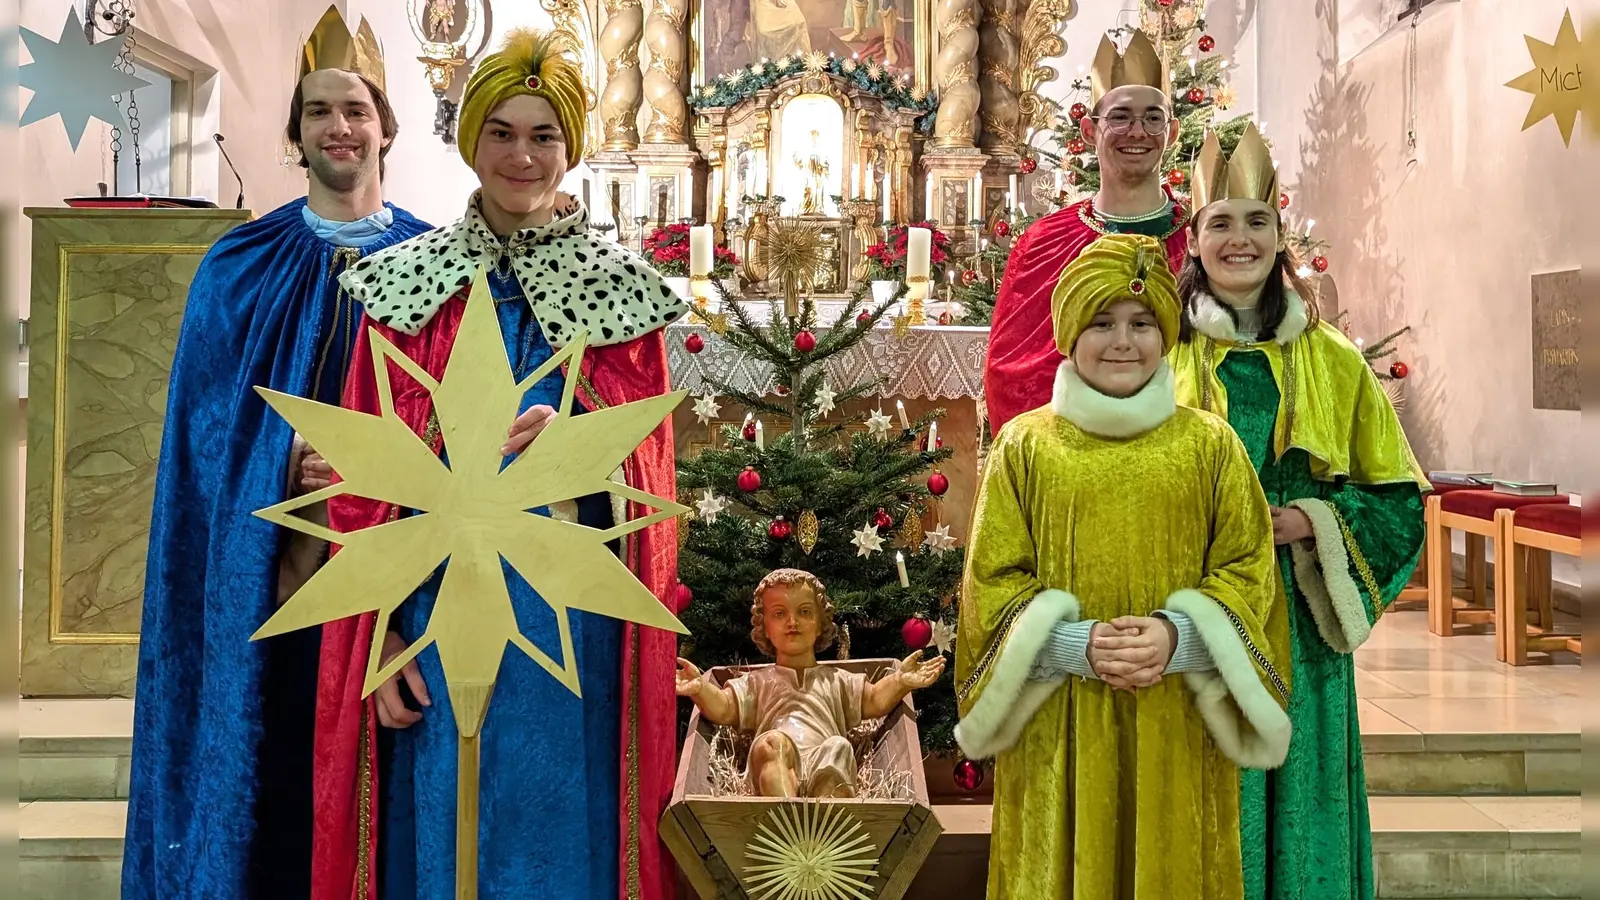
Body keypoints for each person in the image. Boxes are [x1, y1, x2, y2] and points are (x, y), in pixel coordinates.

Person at [311, 30, 689, 900]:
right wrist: (377, 635)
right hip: (435, 607)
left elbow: (650, 483)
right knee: (443, 823)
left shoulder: (619, 294)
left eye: (544, 135)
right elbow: (363, 486)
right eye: (503, 133)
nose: (523, 156)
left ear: (572, 148)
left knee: (561, 828)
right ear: (470, 141)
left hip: (572, 620)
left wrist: (580, 445)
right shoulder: (406, 285)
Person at [121, 12, 432, 897]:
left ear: (386, 128)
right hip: (279, 576)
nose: (341, 126)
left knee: (390, 779)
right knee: (282, 766)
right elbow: (202, 438)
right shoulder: (240, 266)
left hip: (399, 573)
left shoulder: (433, 261)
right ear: (295, 134)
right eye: (320, 111)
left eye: (358, 110)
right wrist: (277, 457)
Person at [954, 233, 1293, 899]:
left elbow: (1248, 568)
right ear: (1069, 330)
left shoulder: (1209, 443)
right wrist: (1076, 645)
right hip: (1058, 716)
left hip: (1176, 714)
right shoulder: (1028, 445)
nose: (1122, 341)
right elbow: (991, 583)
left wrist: (1179, 636)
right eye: (1101, 322)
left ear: (1166, 333)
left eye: (1142, 324)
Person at [1169, 124, 1429, 900]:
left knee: (1296, 778)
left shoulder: (1331, 358)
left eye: (1256, 221)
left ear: (1281, 232)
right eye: (1220, 222)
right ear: (1193, 236)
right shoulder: (1163, 351)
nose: (1238, 239)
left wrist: (1311, 519)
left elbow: (1396, 501)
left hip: (1298, 621)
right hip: (1193, 601)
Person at [983, 28, 1189, 434]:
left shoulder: (1203, 241)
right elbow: (1011, 374)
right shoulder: (1043, 244)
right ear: (1089, 132)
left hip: (1188, 464)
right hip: (1072, 465)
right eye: (1120, 117)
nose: (1137, 132)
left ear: (1173, 132)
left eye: (1153, 118)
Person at [674, 569, 945, 798]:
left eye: (804, 612)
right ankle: (787, 822)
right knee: (772, 743)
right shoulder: (759, 681)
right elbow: (725, 708)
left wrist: (900, 681)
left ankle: (824, 831)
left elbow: (873, 700)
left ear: (820, 623)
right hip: (774, 771)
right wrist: (700, 688)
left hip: (823, 762)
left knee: (838, 747)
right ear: (764, 626)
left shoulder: (836, 680)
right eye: (779, 614)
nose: (792, 622)